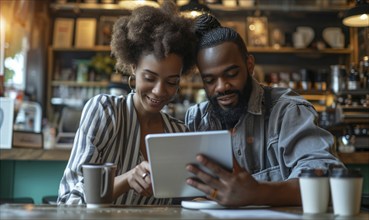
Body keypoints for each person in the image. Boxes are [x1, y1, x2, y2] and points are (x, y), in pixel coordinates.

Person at [184, 14, 343, 207]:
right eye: (209, 80)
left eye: (231, 74)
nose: (221, 87)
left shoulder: (287, 111)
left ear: (249, 65)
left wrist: (260, 192)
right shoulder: (196, 119)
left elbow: (327, 178)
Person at [57, 2, 197, 205]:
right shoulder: (105, 112)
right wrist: (126, 180)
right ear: (133, 68)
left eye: (171, 82)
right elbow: (70, 201)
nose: (159, 90)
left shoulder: (179, 133)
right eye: (150, 77)